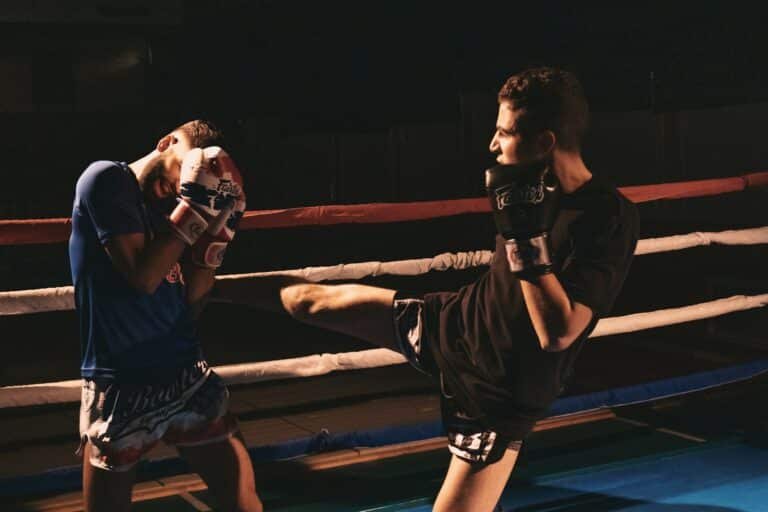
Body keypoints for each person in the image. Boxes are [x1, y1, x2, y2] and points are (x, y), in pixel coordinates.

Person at [213, 67, 639, 511]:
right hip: (454, 323)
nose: (492, 144)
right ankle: (204, 289)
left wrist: (521, 240)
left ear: (545, 142)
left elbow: (559, 332)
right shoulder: (527, 188)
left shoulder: (607, 218)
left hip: (497, 392)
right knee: (312, 299)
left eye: (503, 132)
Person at [69, 120, 262, 512]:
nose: (183, 184)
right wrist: (192, 210)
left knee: (242, 502)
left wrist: (216, 240)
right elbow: (143, 279)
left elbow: (191, 303)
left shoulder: (174, 211)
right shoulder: (106, 179)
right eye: (186, 169)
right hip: (121, 381)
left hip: (186, 373)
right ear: (167, 142)